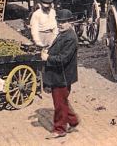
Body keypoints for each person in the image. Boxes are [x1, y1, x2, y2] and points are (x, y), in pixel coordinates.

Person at [41, 9, 79, 139]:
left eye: (64, 22)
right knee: (62, 101)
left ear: (70, 22)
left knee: (59, 104)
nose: (60, 24)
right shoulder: (64, 34)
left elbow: (63, 59)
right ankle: (73, 120)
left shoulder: (71, 38)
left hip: (62, 76)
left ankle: (60, 129)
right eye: (59, 21)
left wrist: (48, 58)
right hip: (59, 74)